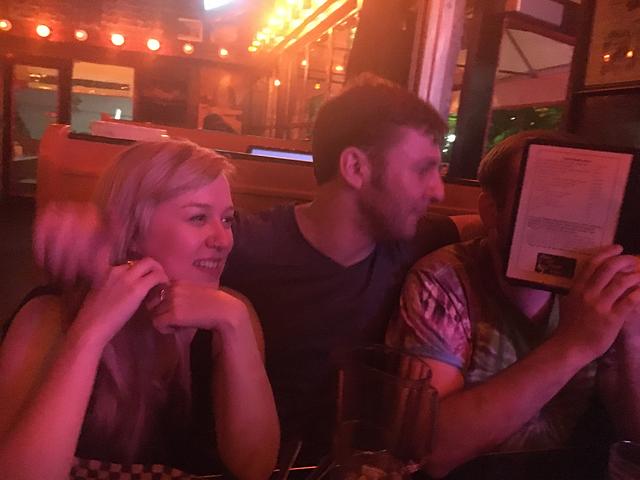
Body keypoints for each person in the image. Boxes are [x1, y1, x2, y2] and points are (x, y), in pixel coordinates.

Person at [33, 74, 460, 460]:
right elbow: (157, 238)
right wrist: (98, 231)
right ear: (355, 167)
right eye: (422, 169)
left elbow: (485, 224)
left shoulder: (413, 240)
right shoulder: (244, 246)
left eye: (226, 219)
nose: (438, 191)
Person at [0, 140, 279, 480]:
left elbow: (255, 469)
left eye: (227, 220)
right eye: (198, 218)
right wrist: (90, 334)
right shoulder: (49, 316)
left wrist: (235, 324)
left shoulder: (232, 313)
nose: (223, 240)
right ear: (132, 231)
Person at [386, 130, 640, 477]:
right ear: (490, 210)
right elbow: (428, 449)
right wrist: (575, 344)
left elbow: (634, 439)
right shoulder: (444, 280)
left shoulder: (606, 289)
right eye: (544, 198)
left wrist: (630, 334)